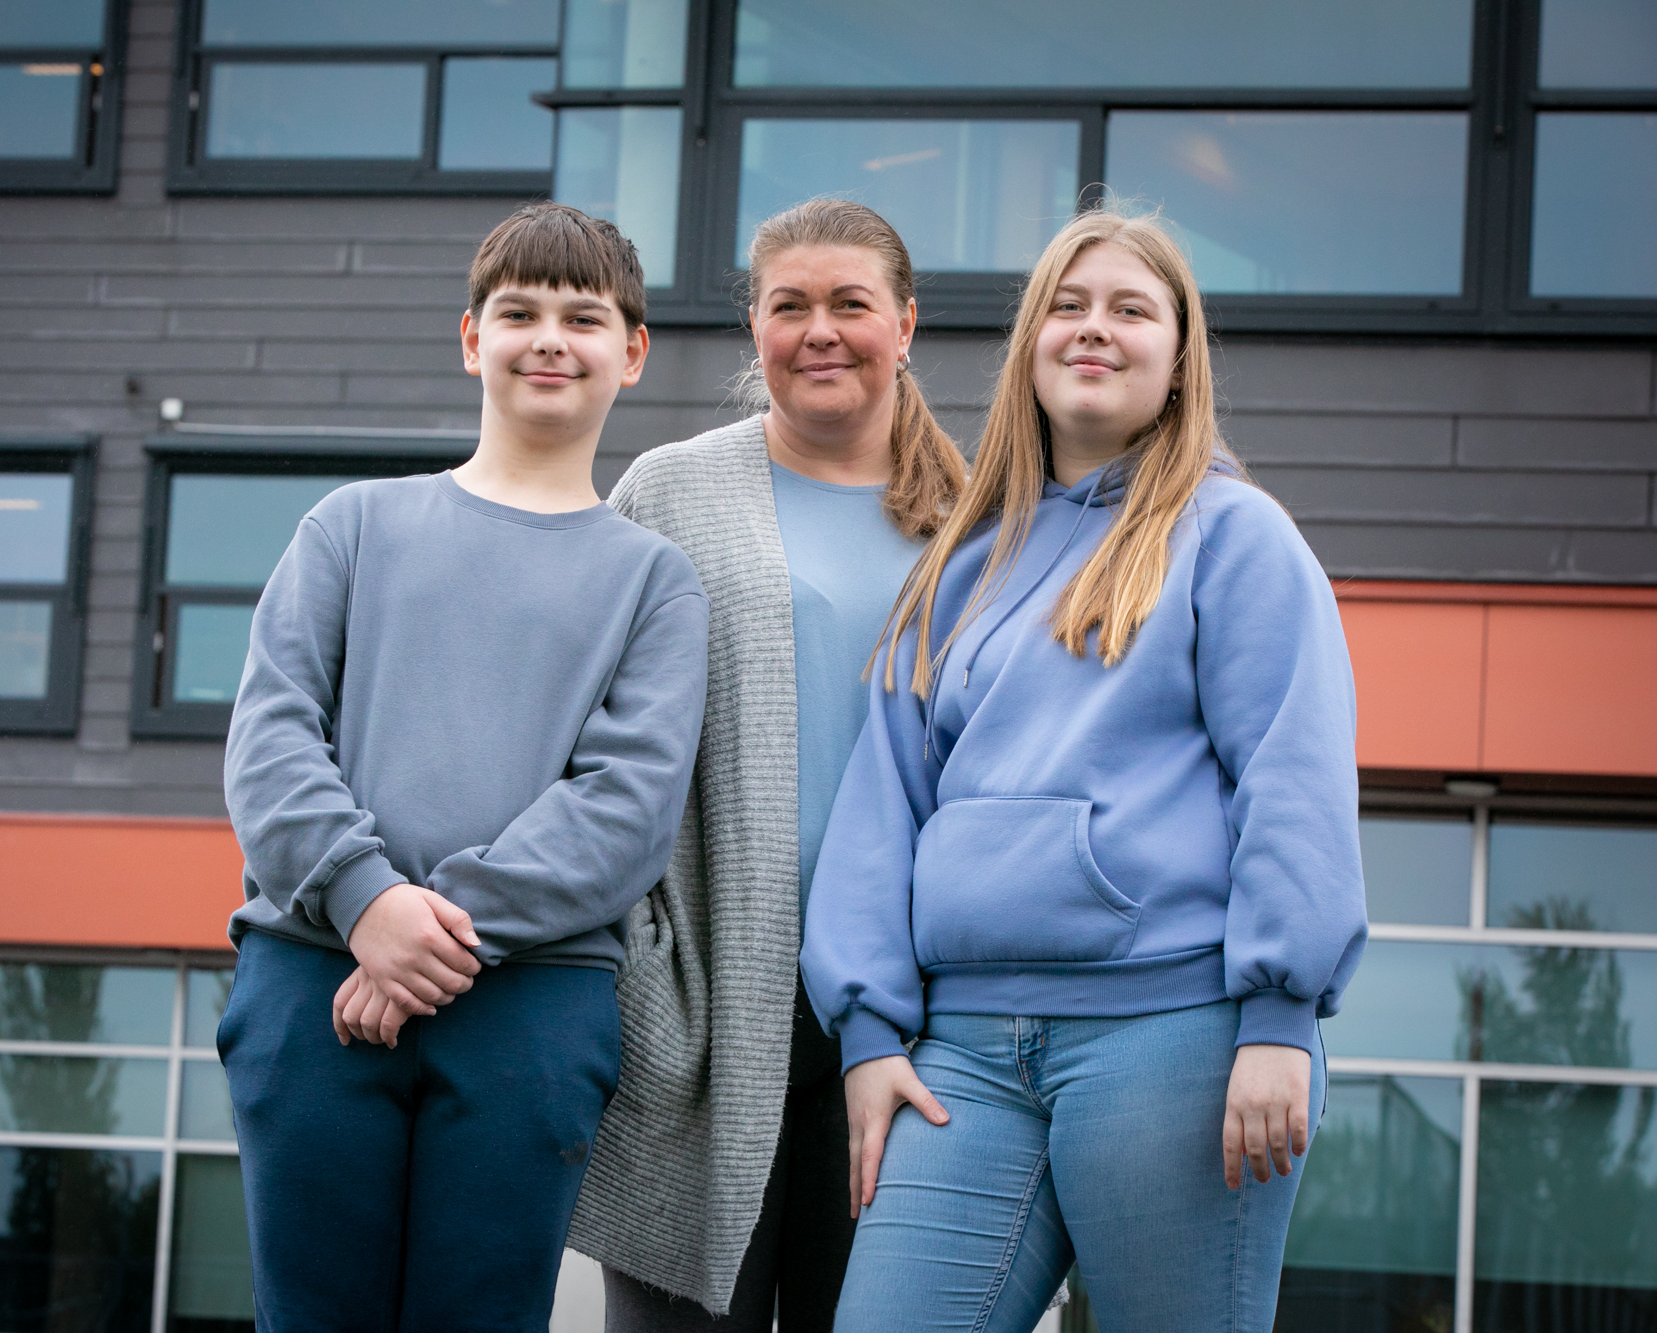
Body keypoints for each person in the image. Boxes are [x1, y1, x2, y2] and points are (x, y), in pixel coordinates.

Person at [802, 207, 1367, 1332]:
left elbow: (1292, 781)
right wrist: (865, 1036)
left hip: (1174, 1038)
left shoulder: (1235, 536)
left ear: (1178, 360)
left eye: (1130, 309)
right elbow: (882, 805)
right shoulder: (960, 562)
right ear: (1030, 346)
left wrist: (1278, 1016)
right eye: (1067, 306)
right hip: (961, 1057)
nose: (1093, 328)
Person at [218, 202, 710, 1332]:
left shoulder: (653, 581)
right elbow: (271, 737)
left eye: (583, 318)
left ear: (632, 351)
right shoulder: (352, 526)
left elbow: (626, 809)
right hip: (312, 977)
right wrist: (364, 901)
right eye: (519, 313)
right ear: (470, 338)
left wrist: (429, 936)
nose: (549, 339)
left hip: (531, 1005)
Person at [568, 199, 967, 1330]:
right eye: (789, 305)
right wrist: (639, 974)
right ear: (754, 325)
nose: (819, 331)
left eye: (850, 303)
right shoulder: (668, 492)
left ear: (904, 323)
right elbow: (581, 738)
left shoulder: (977, 515)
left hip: (911, 1024)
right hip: (705, 1014)